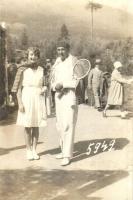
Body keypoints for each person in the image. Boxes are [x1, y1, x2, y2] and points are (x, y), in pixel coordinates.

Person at [14, 47, 47, 160]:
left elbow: (44, 84)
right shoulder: (22, 69)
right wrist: (20, 103)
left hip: (38, 97)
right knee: (27, 126)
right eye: (31, 55)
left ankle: (34, 150)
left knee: (36, 126)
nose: (33, 57)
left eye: (35, 55)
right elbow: (18, 88)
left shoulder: (42, 70)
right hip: (26, 97)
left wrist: (44, 88)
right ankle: (28, 150)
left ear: (38, 57)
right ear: (28, 56)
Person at [51, 40, 78, 166]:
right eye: (58, 49)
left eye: (62, 49)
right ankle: (63, 151)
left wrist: (64, 85)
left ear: (68, 49)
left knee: (68, 125)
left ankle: (67, 155)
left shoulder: (74, 61)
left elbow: (76, 81)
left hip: (69, 97)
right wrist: (54, 87)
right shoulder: (56, 62)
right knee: (60, 125)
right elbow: (52, 80)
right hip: (58, 97)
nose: (60, 52)